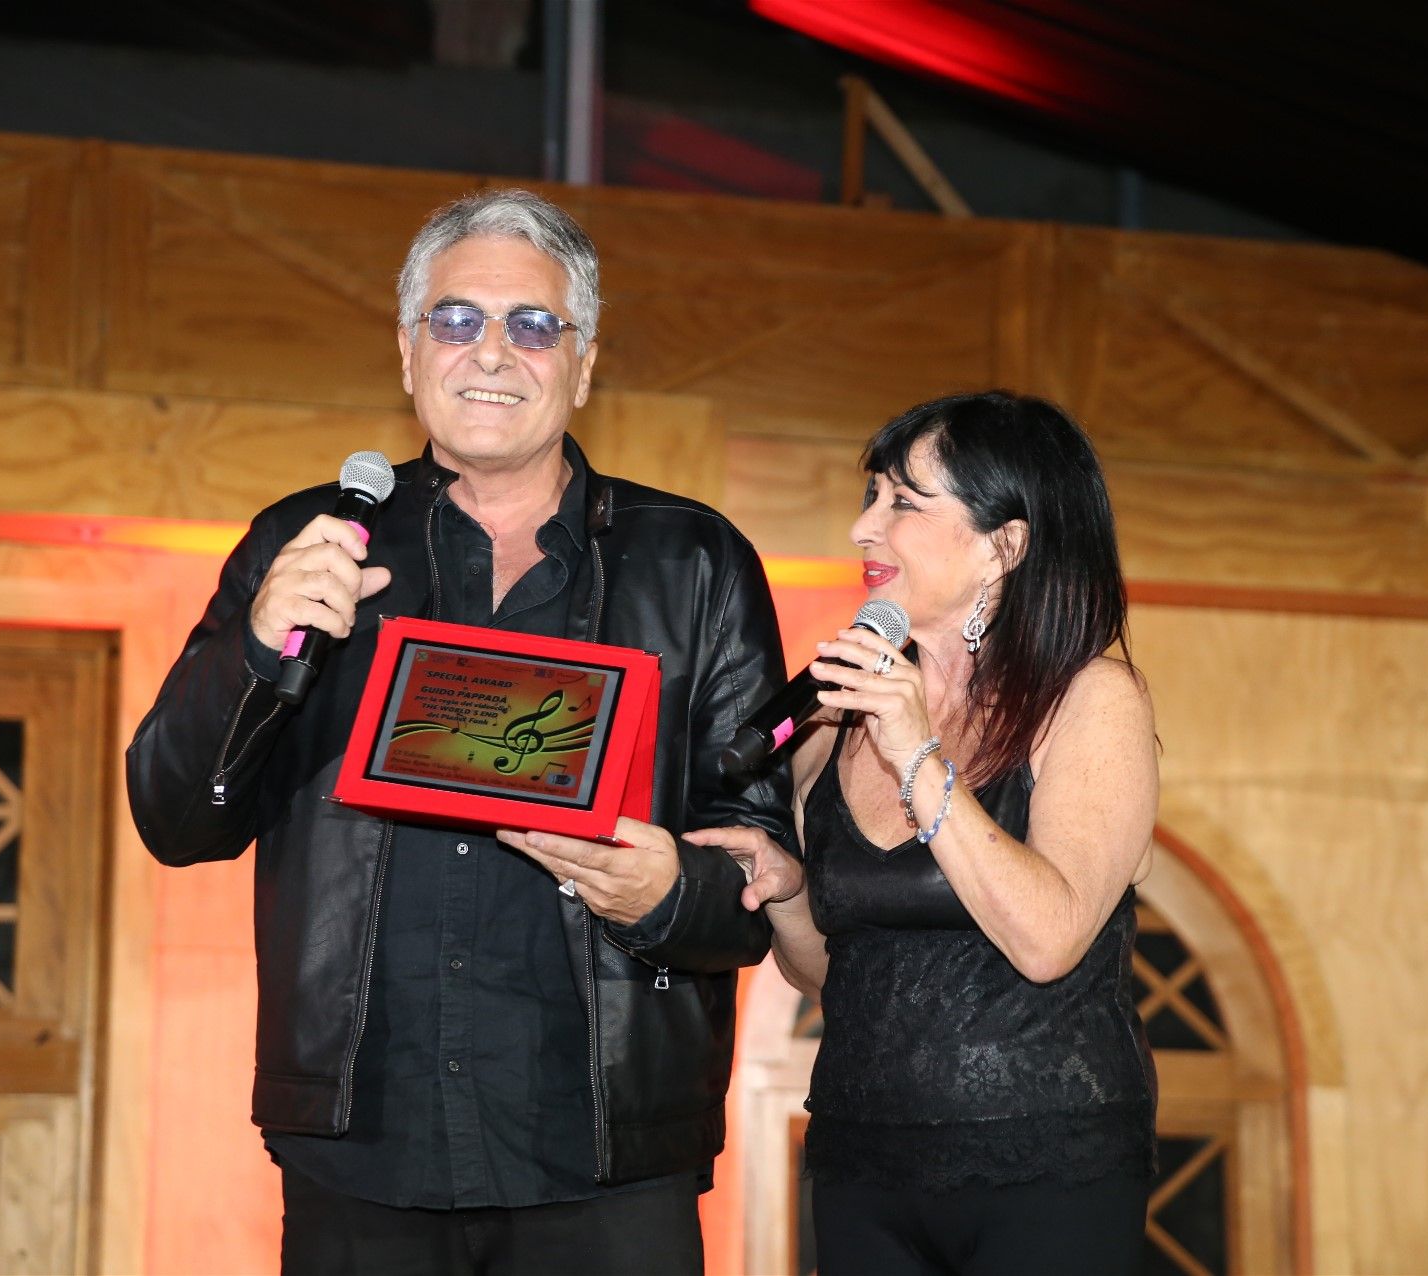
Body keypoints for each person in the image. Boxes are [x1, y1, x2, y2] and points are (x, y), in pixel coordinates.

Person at [126, 188, 794, 1276]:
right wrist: (253, 646)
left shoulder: (695, 562)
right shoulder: (306, 544)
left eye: (532, 324)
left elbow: (758, 866)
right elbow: (174, 819)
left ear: (581, 366)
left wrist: (669, 892)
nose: (491, 351)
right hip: (361, 1148)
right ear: (407, 352)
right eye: (455, 319)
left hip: (608, 1154)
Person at [689, 391, 1160, 1275]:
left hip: (1045, 1164)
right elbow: (829, 975)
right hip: (861, 1159)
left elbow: (1049, 939)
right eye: (870, 496)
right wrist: (788, 892)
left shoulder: (1092, 700)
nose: (863, 528)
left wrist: (915, 752)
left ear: (1003, 545)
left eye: (903, 502)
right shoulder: (834, 716)